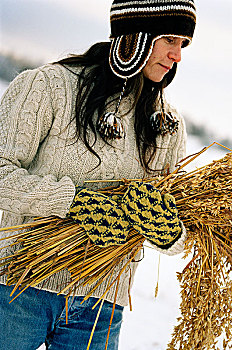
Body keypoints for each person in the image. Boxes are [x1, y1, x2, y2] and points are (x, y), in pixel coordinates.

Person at [0, 0, 196, 349]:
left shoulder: (167, 126)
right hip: (18, 288)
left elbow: (182, 237)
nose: (177, 56)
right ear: (135, 35)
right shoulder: (49, 86)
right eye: (169, 40)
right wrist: (71, 201)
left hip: (100, 309)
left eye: (183, 44)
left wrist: (167, 230)